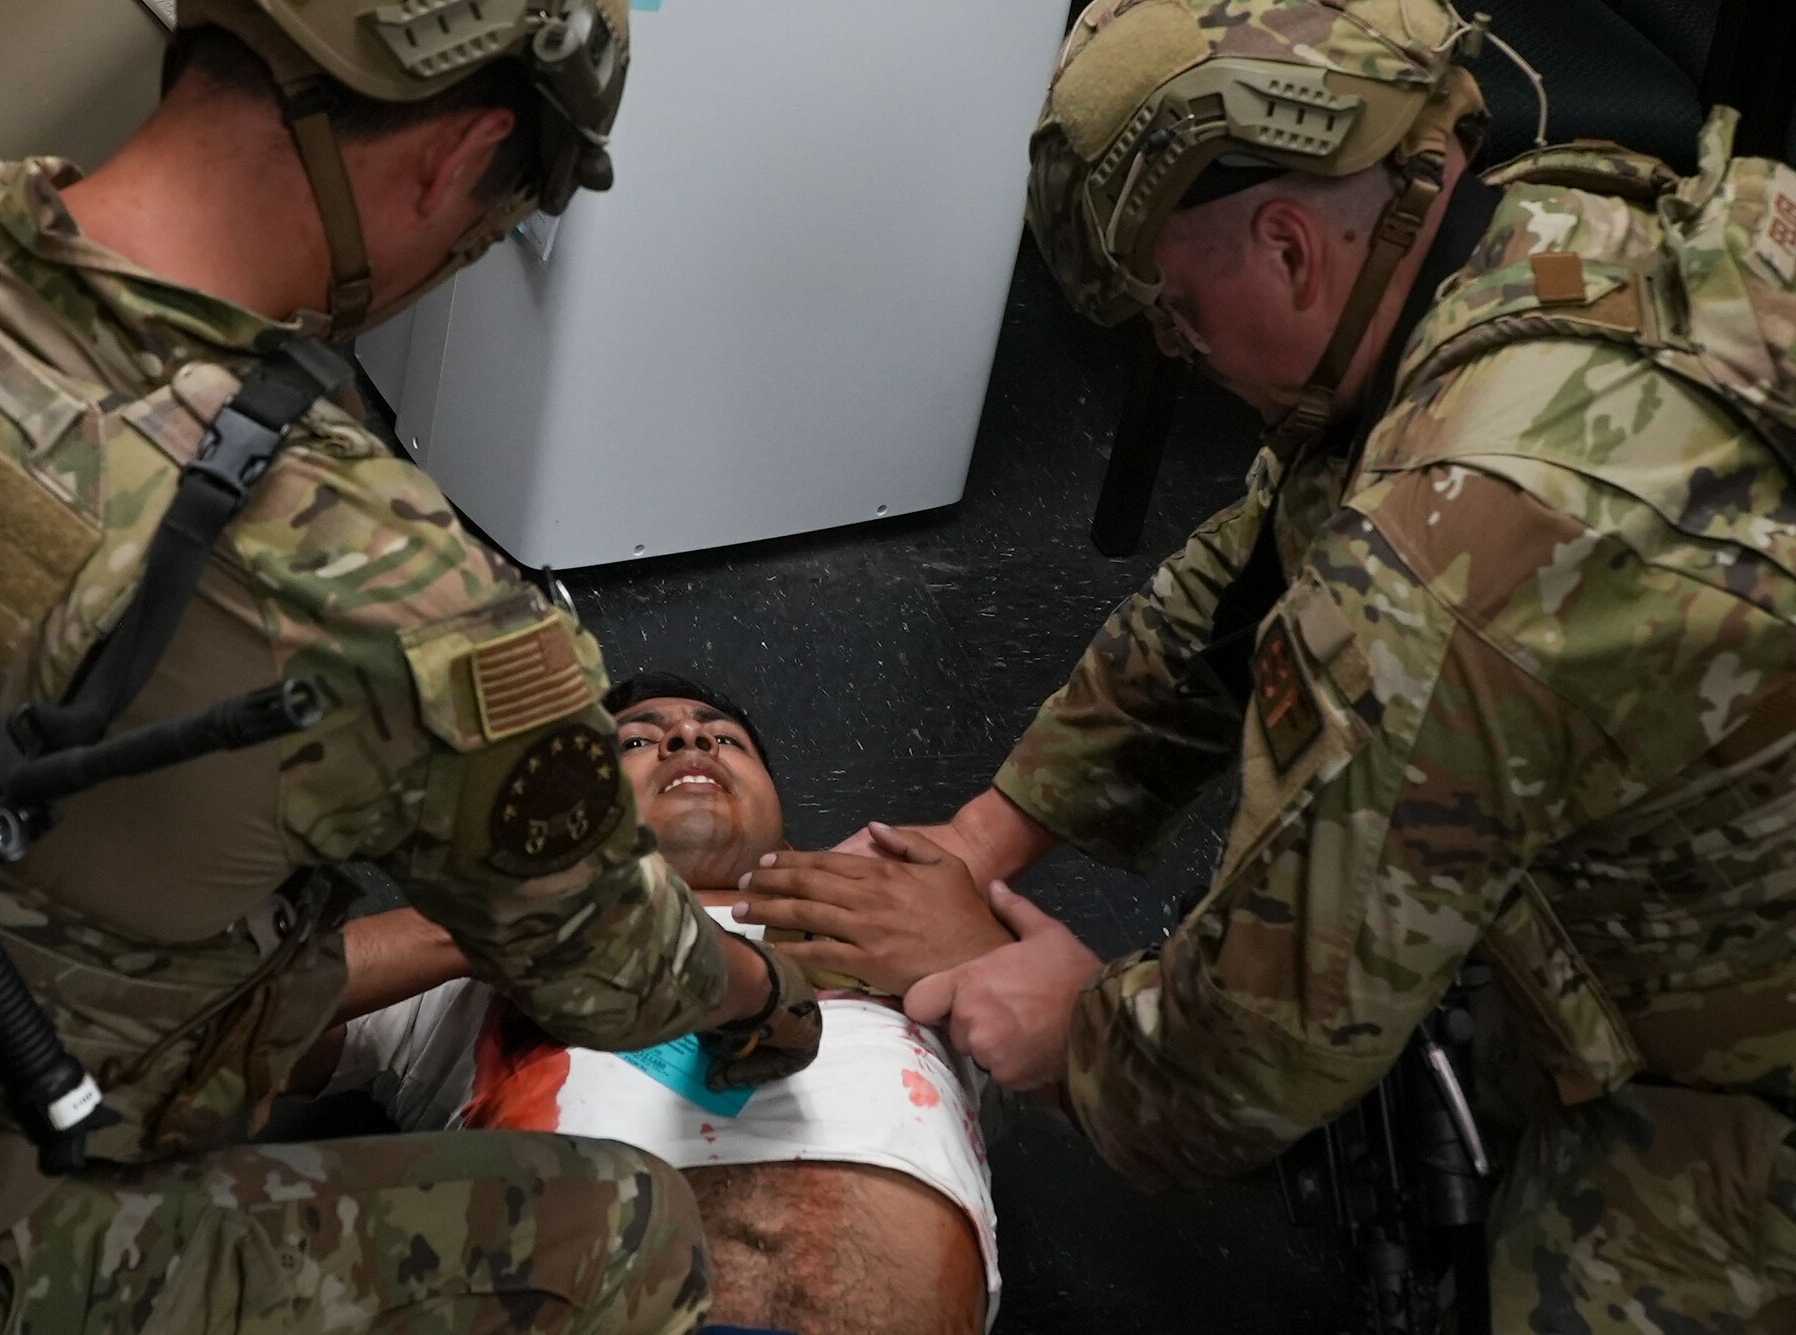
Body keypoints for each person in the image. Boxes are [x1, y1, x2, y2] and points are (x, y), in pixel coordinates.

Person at [736, 1, 1796, 1329]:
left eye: (1179, 314)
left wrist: (1073, 1022)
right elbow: (1249, 568)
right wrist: (982, 837)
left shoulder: (1443, 552)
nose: (1184, 352)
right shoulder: (1551, 236)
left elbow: (1242, 1065)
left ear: (1291, 248)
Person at [0, 3, 822, 1331]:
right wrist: (769, 991)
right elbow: (612, 972)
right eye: (494, 220)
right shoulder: (391, 589)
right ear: (461, 162)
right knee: (626, 1233)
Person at [299, 673, 1015, 1333]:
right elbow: (221, 1018)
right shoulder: (482, 965)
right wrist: (481, 917)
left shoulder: (899, 927)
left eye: (724, 736)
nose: (687, 738)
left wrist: (978, 944)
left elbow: (1095, 1064)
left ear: (786, 823)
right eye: (635, 741)